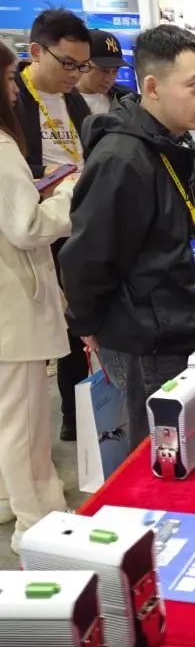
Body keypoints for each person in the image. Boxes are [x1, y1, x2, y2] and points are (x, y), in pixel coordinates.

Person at [59, 25, 195, 453]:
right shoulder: (123, 158)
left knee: (190, 446)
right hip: (146, 343)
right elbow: (89, 256)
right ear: (152, 87)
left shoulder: (174, 145)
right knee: (160, 454)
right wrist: (87, 324)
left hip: (180, 325)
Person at [0, 41, 77, 553]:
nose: (14, 88)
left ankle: (13, 499)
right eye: (9, 78)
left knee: (10, 415)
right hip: (13, 303)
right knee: (24, 421)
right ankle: (37, 521)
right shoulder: (2, 146)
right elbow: (26, 228)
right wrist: (69, 193)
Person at [14, 7, 92, 443]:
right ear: (36, 52)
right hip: (36, 227)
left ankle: (82, 409)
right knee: (50, 325)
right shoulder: (13, 99)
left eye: (82, 66)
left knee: (80, 316)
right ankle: (66, 417)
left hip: (76, 218)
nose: (75, 74)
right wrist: (44, 174)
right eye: (67, 63)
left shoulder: (74, 100)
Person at [76, 29, 131, 115]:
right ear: (83, 64)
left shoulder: (125, 98)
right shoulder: (63, 100)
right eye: (104, 71)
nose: (109, 79)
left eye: (115, 71)